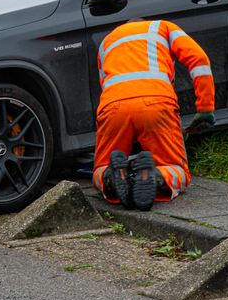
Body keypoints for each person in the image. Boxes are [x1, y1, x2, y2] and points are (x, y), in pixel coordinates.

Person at [92, 19, 215, 211]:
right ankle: (157, 176)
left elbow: (104, 82)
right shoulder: (163, 27)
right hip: (156, 102)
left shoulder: (107, 41)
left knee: (100, 166)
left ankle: (109, 177)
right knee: (177, 169)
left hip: (113, 105)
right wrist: (205, 108)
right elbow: (199, 60)